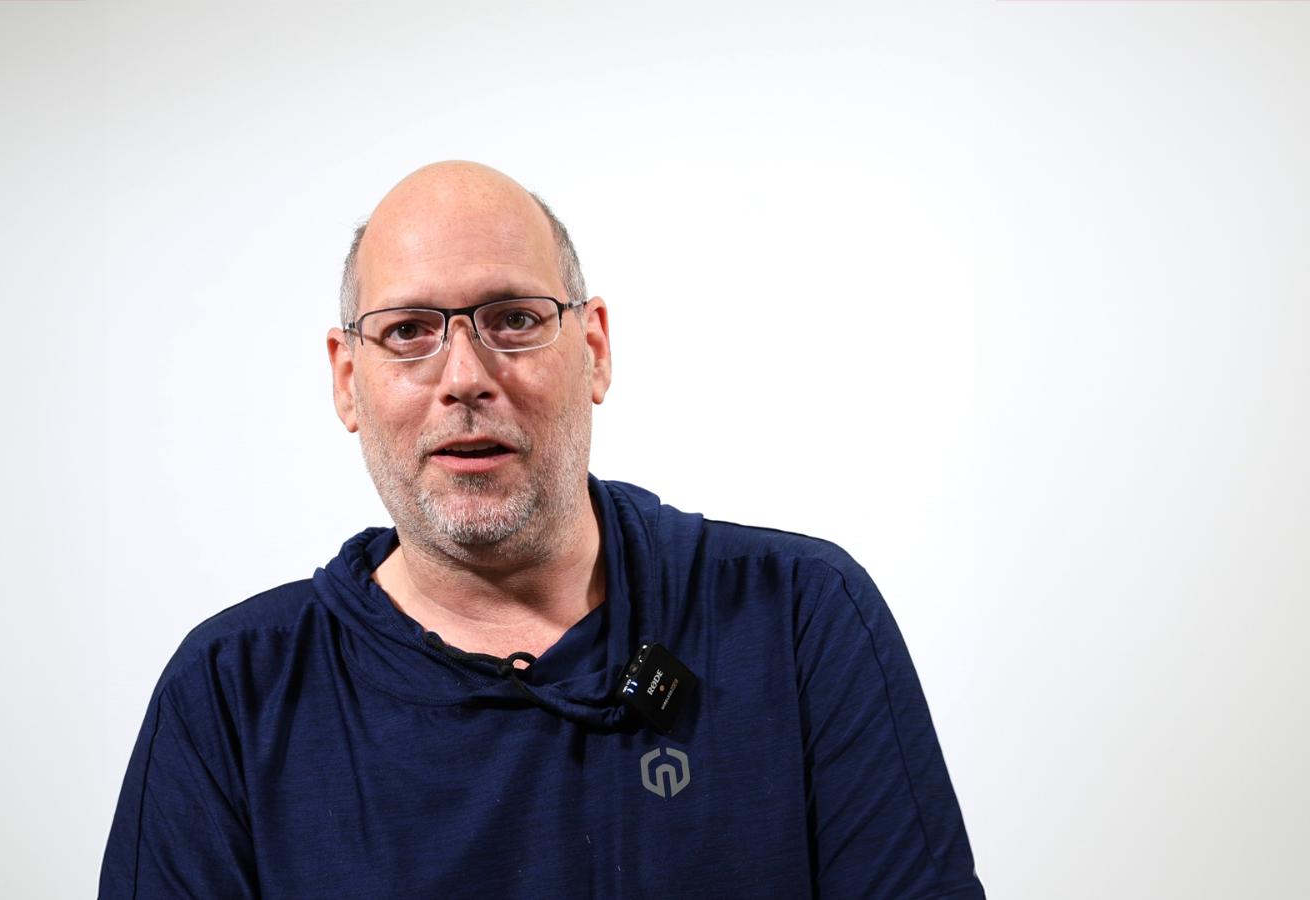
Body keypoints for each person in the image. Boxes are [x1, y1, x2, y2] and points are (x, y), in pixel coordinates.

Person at [99, 161, 985, 898]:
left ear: (593, 348)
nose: (465, 376)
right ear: (346, 381)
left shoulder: (795, 620)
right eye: (408, 331)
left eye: (513, 321)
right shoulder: (231, 695)